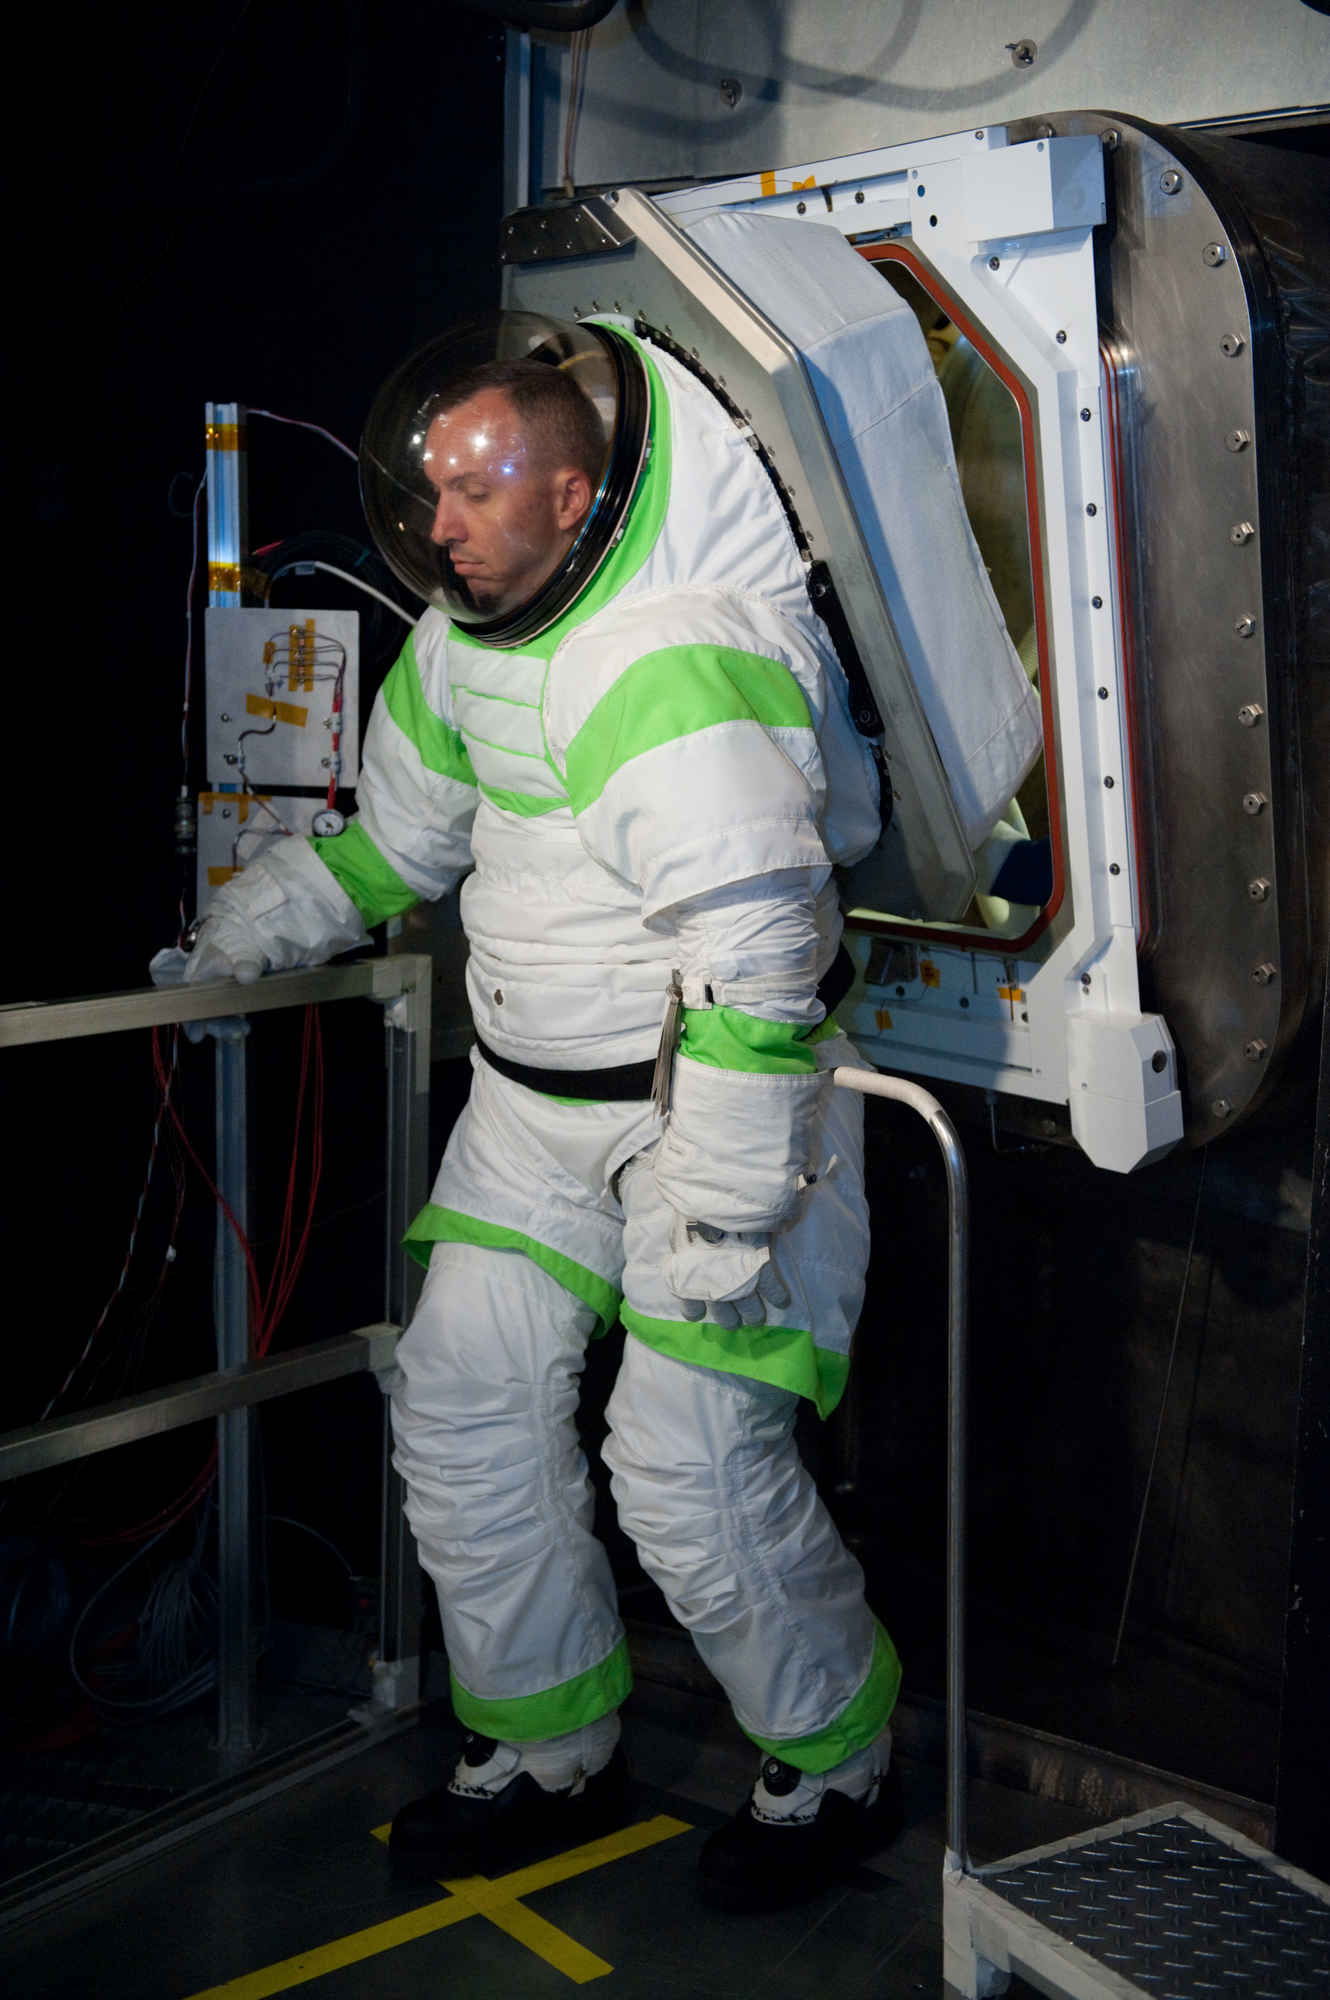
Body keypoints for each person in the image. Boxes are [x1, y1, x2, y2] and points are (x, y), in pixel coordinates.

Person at [186, 313, 903, 1911]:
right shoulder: (462, 646)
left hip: (711, 1111)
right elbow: (396, 845)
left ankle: (838, 1760)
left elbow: (760, 959)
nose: (437, 526)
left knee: (686, 1462)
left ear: (574, 497)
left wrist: (725, 1204)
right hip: (527, 1105)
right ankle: (550, 1746)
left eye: (476, 494)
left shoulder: (665, 657)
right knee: (462, 1405)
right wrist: (252, 927)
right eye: (429, 493)